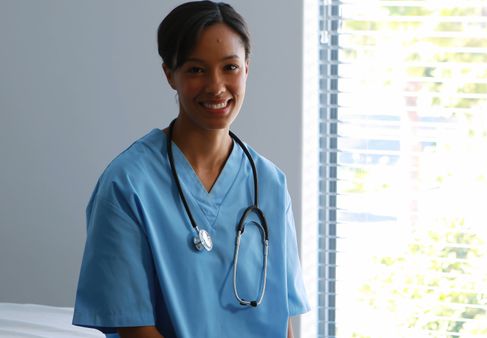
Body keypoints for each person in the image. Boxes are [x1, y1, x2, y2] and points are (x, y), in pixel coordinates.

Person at [71, 2, 310, 337]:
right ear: (170, 73)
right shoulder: (128, 184)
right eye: (197, 70)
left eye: (230, 67)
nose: (216, 86)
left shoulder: (269, 183)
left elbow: (282, 318)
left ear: (246, 69)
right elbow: (133, 327)